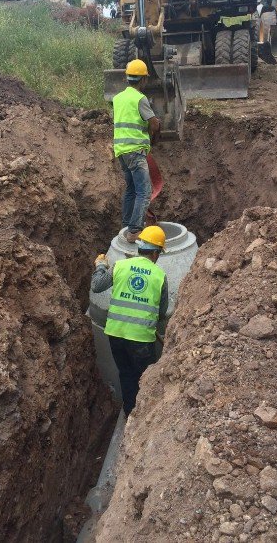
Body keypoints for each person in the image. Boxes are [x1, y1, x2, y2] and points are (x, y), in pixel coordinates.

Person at [91, 225, 168, 416]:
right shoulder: (160, 276)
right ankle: (144, 419)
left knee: (126, 375)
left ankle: (129, 414)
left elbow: (96, 286)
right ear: (156, 253)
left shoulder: (119, 266)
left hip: (115, 334)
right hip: (141, 339)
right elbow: (161, 313)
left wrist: (101, 266)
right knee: (146, 379)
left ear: (140, 247)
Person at [112, 59, 161, 243]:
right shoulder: (140, 99)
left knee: (131, 189)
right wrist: (154, 130)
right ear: (143, 80)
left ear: (127, 78)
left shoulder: (118, 99)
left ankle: (126, 225)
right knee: (144, 191)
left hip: (121, 151)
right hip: (135, 151)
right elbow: (154, 123)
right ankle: (134, 231)